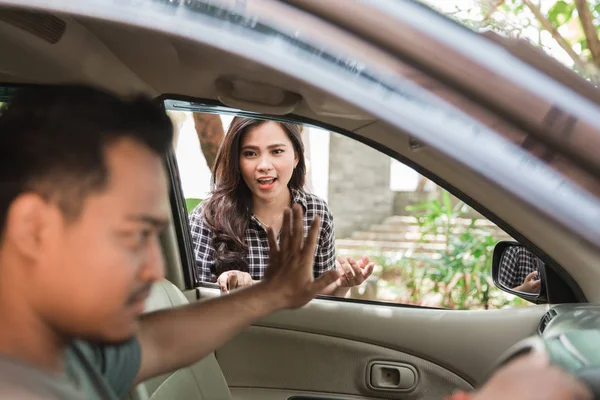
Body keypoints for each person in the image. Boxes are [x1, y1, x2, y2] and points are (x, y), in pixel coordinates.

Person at [0, 85, 590, 400]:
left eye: (159, 234)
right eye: (134, 236)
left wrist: (275, 294)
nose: (155, 268)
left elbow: (156, 342)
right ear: (33, 228)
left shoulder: (76, 352)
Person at [189, 116, 374, 295]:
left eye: (276, 151)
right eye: (250, 153)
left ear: (296, 157)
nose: (264, 165)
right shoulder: (207, 217)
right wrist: (230, 284)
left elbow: (322, 301)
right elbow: (194, 302)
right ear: (237, 160)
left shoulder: (317, 213)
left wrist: (342, 284)